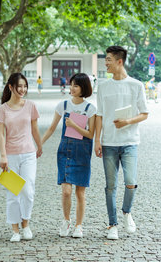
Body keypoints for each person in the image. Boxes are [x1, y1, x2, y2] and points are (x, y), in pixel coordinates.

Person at [94, 46, 148, 240]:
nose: (105, 63)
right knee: (110, 186)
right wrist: (97, 140)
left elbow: (145, 113)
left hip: (130, 142)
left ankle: (127, 212)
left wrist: (127, 122)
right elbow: (99, 114)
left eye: (108, 60)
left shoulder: (136, 85)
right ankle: (112, 224)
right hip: (108, 143)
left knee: (131, 182)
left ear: (119, 61)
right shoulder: (103, 86)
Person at [41, 73, 97, 239]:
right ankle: (66, 220)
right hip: (65, 151)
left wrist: (73, 125)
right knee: (66, 191)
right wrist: (39, 144)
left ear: (84, 88)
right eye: (71, 85)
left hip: (82, 152)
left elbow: (90, 134)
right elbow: (51, 128)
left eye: (76, 86)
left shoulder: (90, 109)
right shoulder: (63, 105)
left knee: (80, 192)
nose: (72, 88)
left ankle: (79, 226)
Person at [0, 73, 42, 242]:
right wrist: (3, 156)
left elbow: (35, 129)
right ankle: (15, 230)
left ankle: (26, 224)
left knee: (28, 191)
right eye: (19, 86)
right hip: (10, 156)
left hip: (28, 154)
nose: (22, 90)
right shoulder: (2, 110)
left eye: (25, 86)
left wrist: (40, 145)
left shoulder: (30, 105)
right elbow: (0, 135)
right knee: (13, 193)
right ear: (10, 87)